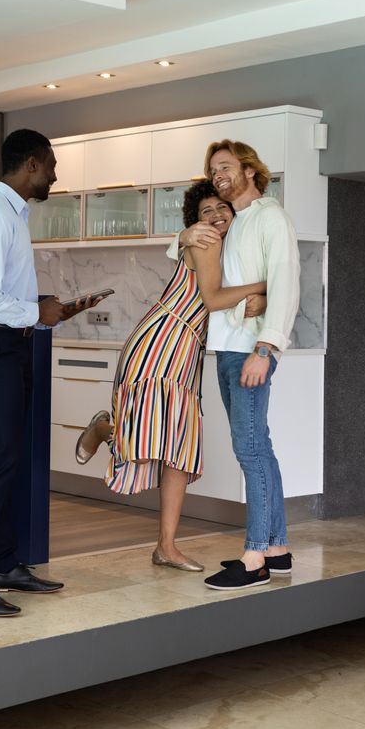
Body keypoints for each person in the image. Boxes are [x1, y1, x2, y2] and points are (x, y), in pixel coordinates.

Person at [74, 180, 267, 572]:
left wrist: (257, 298)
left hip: (186, 350)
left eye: (220, 208)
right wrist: (266, 286)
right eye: (205, 212)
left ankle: (166, 546)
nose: (214, 217)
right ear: (195, 222)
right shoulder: (206, 241)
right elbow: (213, 299)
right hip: (161, 342)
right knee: (158, 435)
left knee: (177, 444)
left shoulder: (233, 248)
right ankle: (106, 429)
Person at [0, 129, 96, 617]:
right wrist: (35, 311)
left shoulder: (10, 215)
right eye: (51, 164)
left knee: (7, 458)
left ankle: (4, 565)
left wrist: (41, 309)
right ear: (31, 163)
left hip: (7, 343)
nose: (55, 173)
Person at [175, 139, 300, 591]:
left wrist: (266, 349)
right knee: (258, 446)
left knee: (249, 449)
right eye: (213, 169)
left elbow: (287, 282)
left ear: (250, 170)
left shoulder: (271, 217)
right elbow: (195, 259)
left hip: (251, 350)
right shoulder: (231, 220)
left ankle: (254, 559)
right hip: (226, 348)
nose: (217, 174)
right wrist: (183, 236)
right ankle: (277, 548)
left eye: (225, 166)